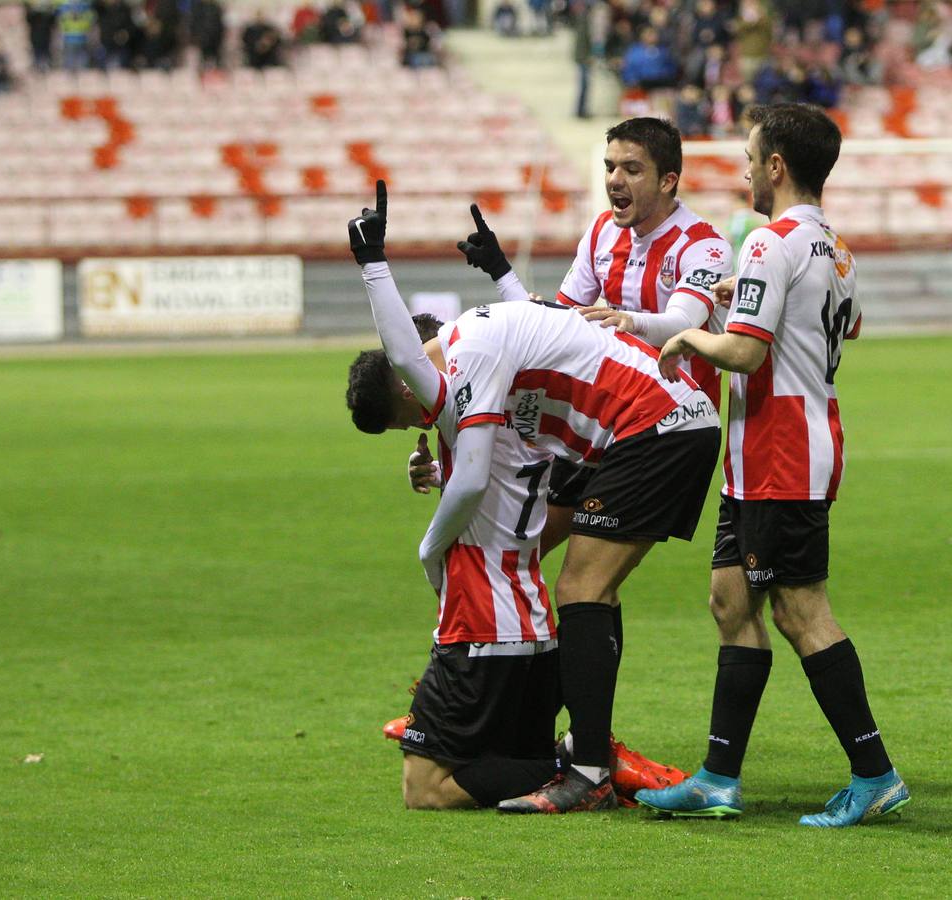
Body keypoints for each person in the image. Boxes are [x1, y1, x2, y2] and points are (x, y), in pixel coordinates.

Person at [350, 182, 722, 814]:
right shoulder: (483, 347)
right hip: (633, 431)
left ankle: (588, 765)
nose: (424, 426)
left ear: (408, 389)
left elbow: (473, 474)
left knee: (580, 588)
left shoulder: (470, 355)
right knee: (562, 571)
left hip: (653, 424)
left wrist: (430, 549)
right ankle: (574, 738)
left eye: (409, 419)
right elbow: (499, 463)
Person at [636, 103, 910, 827]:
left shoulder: (768, 241)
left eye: (751, 160)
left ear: (777, 166)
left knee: (799, 610)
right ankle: (718, 779)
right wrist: (749, 299)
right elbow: (837, 323)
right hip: (778, 445)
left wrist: (688, 338)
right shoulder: (834, 247)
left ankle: (875, 773)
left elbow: (746, 352)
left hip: (780, 449)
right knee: (731, 601)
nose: (746, 173)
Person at [453, 117, 733, 722]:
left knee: (583, 583)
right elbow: (554, 323)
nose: (614, 180)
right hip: (591, 430)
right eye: (610, 167)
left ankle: (568, 740)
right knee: (514, 552)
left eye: (631, 169)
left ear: (668, 179)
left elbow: (682, 323)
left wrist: (627, 321)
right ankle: (508, 713)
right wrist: (502, 273)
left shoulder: (704, 245)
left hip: (659, 429)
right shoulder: (602, 233)